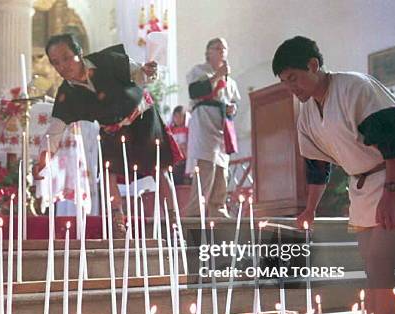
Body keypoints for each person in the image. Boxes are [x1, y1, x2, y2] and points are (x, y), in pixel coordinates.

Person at [272, 36, 395, 314]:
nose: (290, 87)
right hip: (363, 185)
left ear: (314, 65)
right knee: (371, 271)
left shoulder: (355, 88)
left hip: (393, 175)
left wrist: (391, 191)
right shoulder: (308, 112)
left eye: (293, 77)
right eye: (284, 82)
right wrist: (309, 209)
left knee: (380, 265)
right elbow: (317, 166)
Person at [32, 34, 183, 235]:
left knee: (159, 169)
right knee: (108, 173)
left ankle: (173, 220)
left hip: (142, 117)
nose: (62, 66)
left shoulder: (107, 60)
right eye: (56, 62)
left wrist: (148, 72)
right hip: (111, 129)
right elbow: (54, 132)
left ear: (79, 53)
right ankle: (118, 221)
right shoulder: (66, 95)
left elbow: (139, 74)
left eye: (67, 58)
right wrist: (43, 161)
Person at [184, 37, 241, 219]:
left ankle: (218, 211)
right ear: (208, 52)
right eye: (217, 48)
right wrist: (217, 76)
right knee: (206, 168)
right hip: (204, 123)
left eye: (224, 48)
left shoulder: (230, 82)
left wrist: (232, 108)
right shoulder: (199, 71)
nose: (221, 51)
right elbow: (195, 92)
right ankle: (195, 215)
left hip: (221, 126)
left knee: (221, 171)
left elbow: (231, 102)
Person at [168, 105, 191, 185]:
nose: (177, 119)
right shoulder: (170, 130)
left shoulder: (188, 129)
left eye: (180, 116)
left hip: (185, 161)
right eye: (175, 116)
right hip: (174, 161)